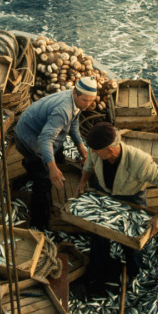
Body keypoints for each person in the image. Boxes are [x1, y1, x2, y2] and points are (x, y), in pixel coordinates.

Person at [75, 121, 158, 287]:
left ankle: (134, 272)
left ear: (110, 149)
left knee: (131, 240)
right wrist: (82, 183)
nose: (92, 152)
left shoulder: (140, 161)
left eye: (95, 150)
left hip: (131, 198)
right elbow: (89, 166)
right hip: (105, 193)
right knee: (99, 233)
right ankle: (100, 269)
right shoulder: (96, 151)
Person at [14, 76, 97, 229]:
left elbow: (73, 124)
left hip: (40, 131)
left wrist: (82, 150)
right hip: (28, 136)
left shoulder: (76, 103)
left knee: (58, 155)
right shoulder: (63, 110)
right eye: (85, 100)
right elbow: (45, 139)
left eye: (91, 101)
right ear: (75, 93)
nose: (88, 104)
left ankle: (33, 167)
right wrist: (52, 169)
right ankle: (40, 222)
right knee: (44, 179)